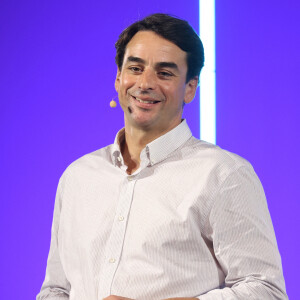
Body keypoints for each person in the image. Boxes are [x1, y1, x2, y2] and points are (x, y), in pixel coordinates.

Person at [37, 13, 288, 300]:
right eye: (135, 68)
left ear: (190, 88)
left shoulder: (224, 175)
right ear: (119, 78)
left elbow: (266, 291)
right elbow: (56, 290)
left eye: (165, 73)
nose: (145, 83)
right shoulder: (78, 176)